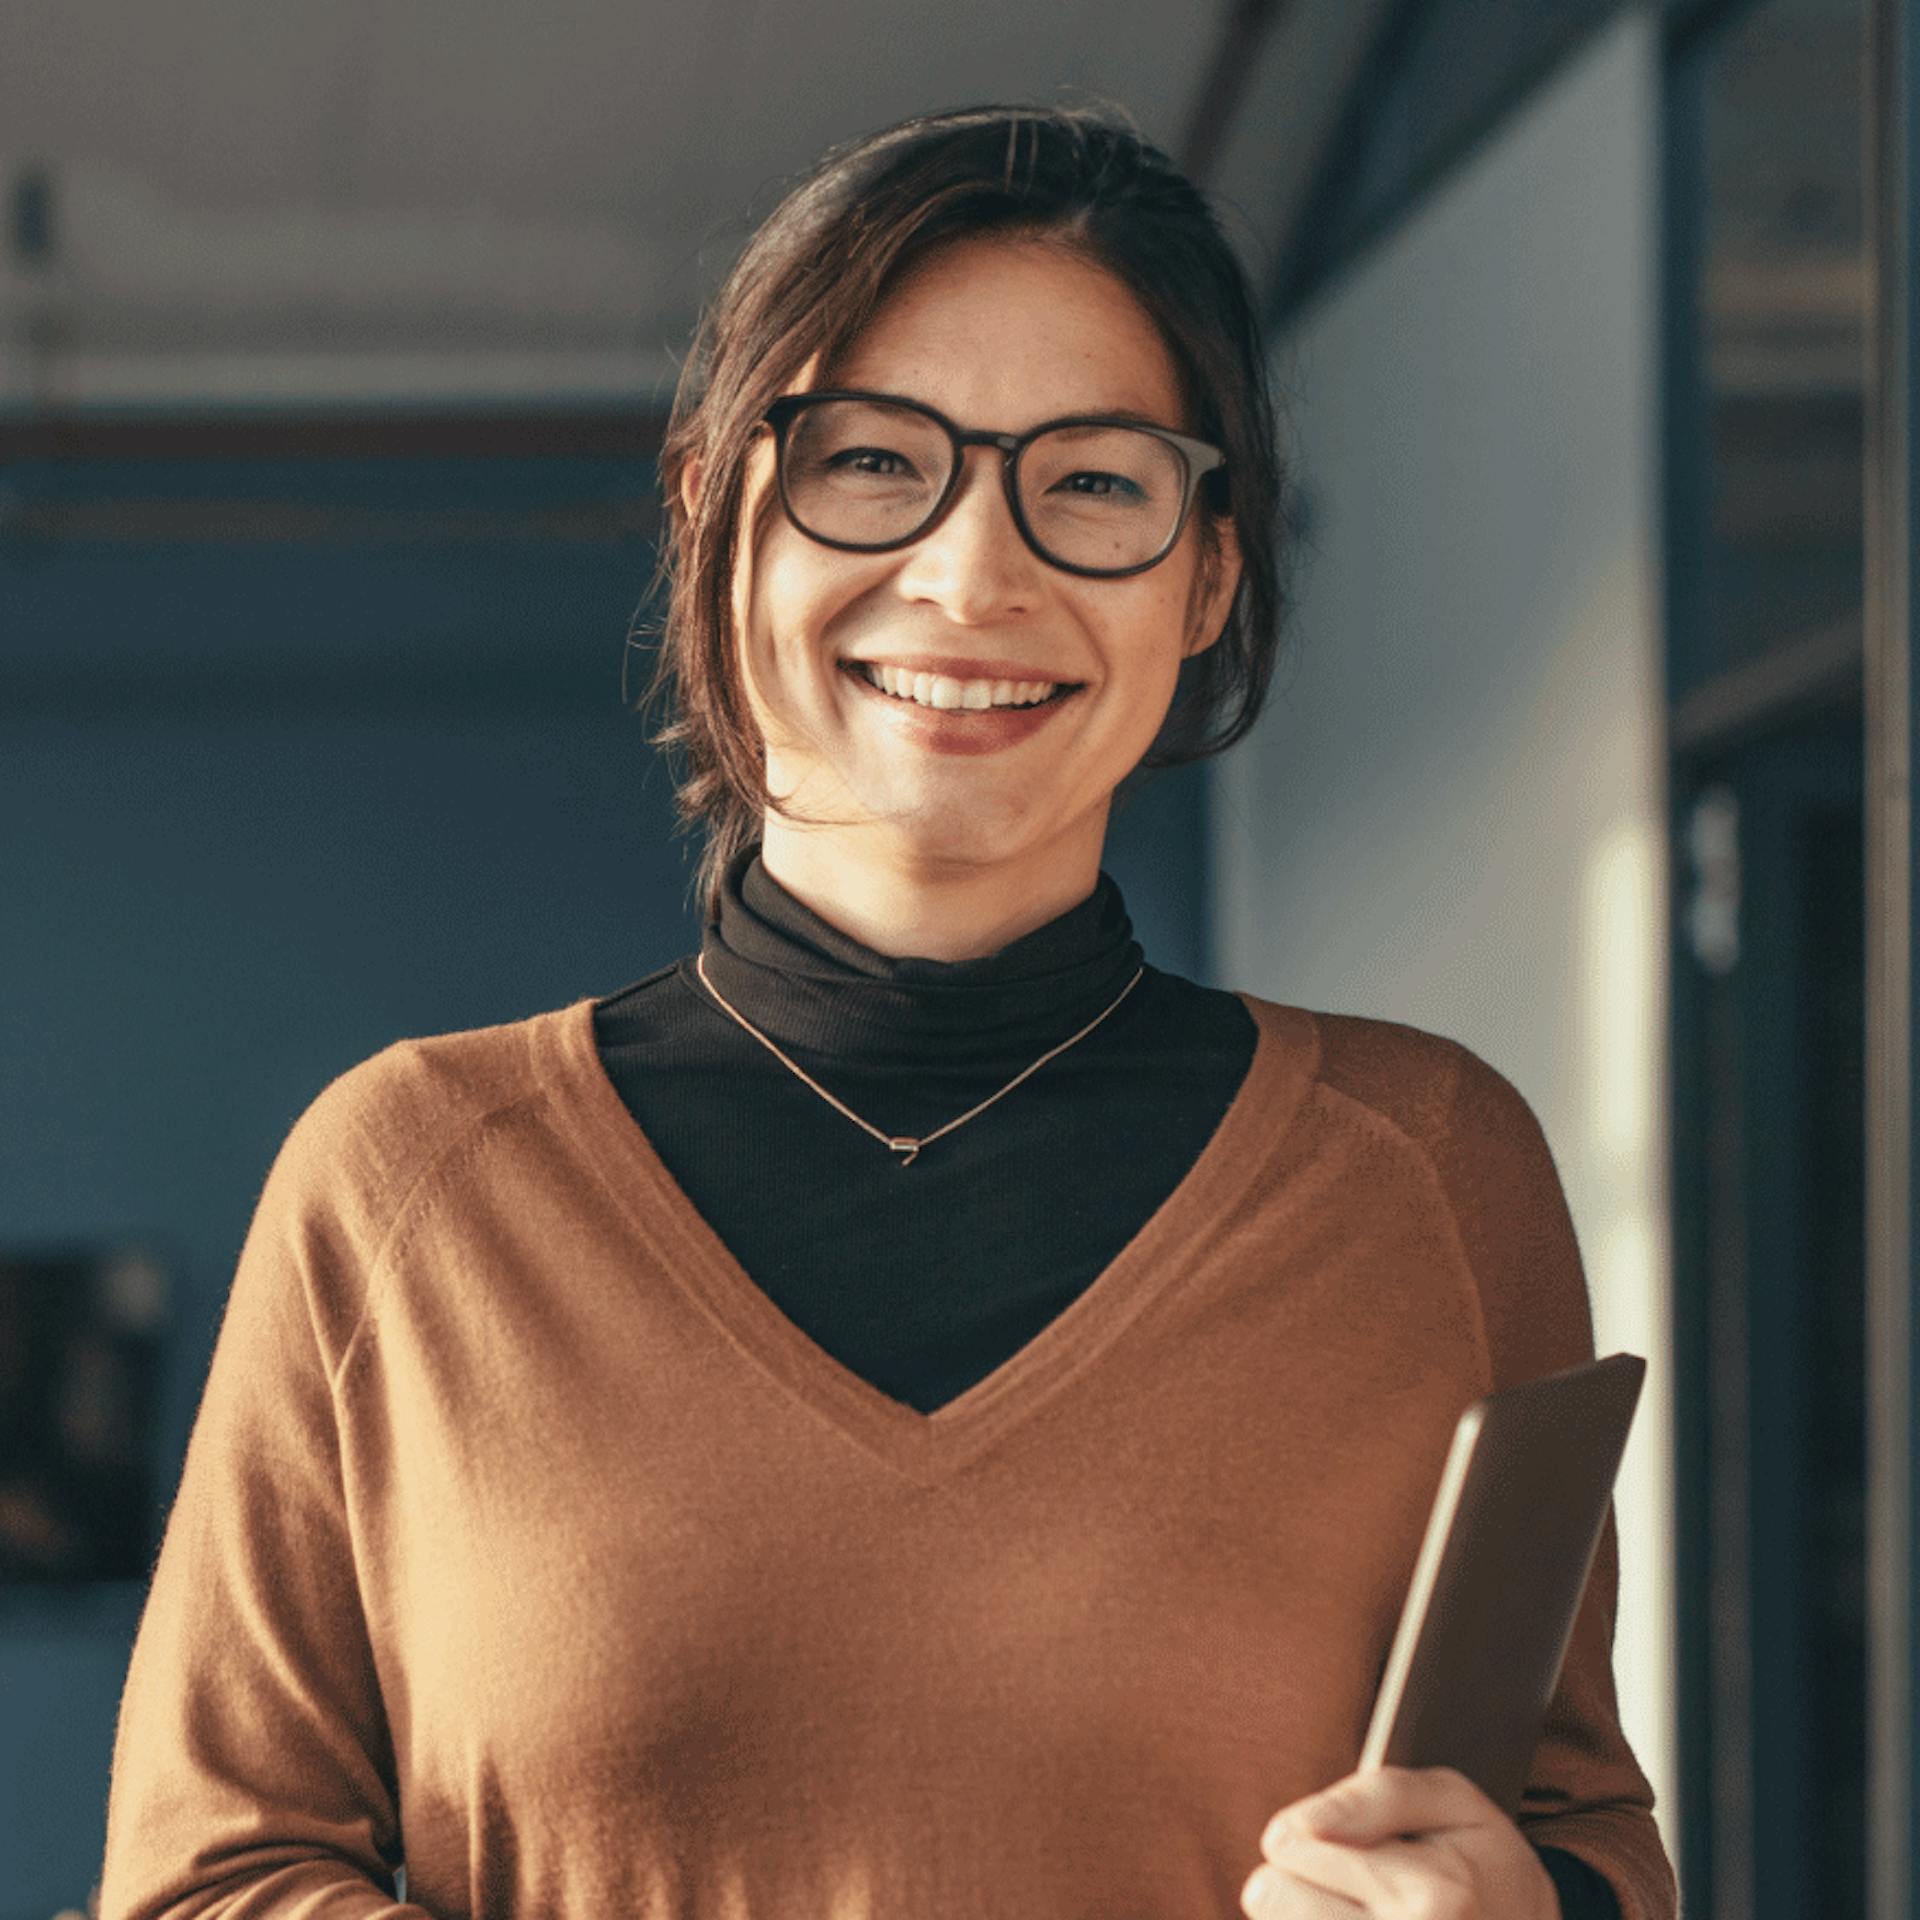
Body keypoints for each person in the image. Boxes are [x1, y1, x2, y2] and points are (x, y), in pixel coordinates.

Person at [97, 104, 1676, 1920]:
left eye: (1092, 480)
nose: (971, 574)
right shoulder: (409, 1182)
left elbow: (1583, 1827)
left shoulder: (1424, 1166)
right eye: (872, 462)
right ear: (714, 508)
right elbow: (203, 1881)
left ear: (1210, 574)